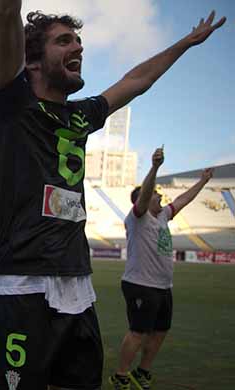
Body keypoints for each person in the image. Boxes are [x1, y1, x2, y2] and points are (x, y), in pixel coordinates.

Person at [0, 1, 225, 388]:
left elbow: (135, 80)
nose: (78, 47)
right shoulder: (12, 104)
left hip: (78, 285)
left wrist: (184, 43)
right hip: (23, 284)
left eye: (79, 41)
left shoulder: (82, 115)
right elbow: (6, 17)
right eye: (64, 41)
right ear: (30, 63)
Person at [110, 148, 214, 389]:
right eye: (156, 195)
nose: (160, 198)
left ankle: (142, 371)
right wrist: (155, 168)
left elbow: (182, 200)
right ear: (143, 200)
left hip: (162, 286)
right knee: (138, 332)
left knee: (160, 331)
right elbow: (145, 197)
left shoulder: (163, 216)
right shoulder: (137, 216)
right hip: (140, 284)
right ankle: (121, 375)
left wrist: (203, 180)